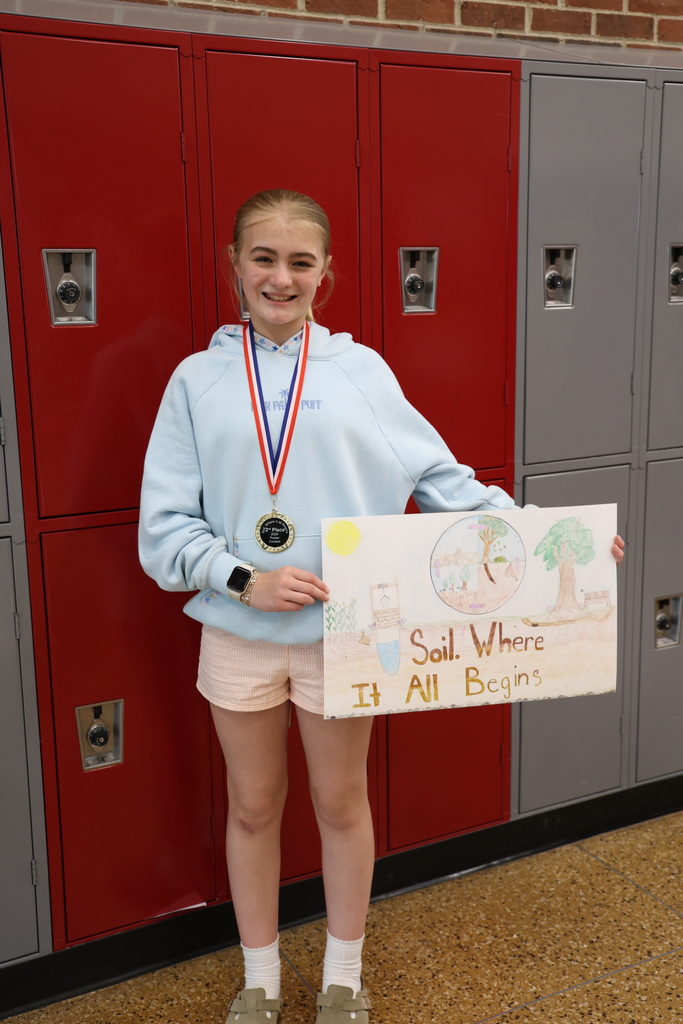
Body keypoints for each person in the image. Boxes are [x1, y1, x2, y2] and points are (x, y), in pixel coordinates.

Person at [139, 189, 625, 1024]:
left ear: (325, 273)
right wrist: (240, 577)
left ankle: (342, 975)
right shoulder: (196, 381)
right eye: (263, 258)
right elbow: (164, 529)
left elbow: (442, 482)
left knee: (339, 803)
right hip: (239, 633)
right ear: (234, 266)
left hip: (345, 631)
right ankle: (259, 979)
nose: (280, 278)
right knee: (252, 808)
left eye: (300, 262)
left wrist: (551, 537)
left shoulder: (361, 374)